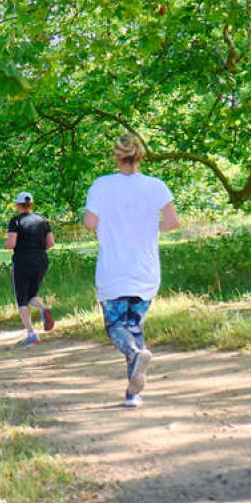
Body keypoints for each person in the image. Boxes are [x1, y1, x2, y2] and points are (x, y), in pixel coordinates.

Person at [84, 133, 180, 409]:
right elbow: (173, 221)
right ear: (140, 155)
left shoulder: (101, 186)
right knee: (134, 327)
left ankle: (135, 357)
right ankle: (133, 393)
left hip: (114, 268)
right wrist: (147, 228)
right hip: (146, 269)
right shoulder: (156, 186)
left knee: (116, 326)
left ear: (117, 156)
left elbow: (90, 223)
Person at [5, 192, 55, 345]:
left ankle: (32, 333)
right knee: (32, 294)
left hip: (22, 261)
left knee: (22, 299)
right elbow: (51, 243)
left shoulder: (15, 221)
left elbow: (12, 243)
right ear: (31, 204)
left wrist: (6, 244)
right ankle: (43, 308)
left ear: (18, 205)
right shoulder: (42, 220)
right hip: (41, 260)